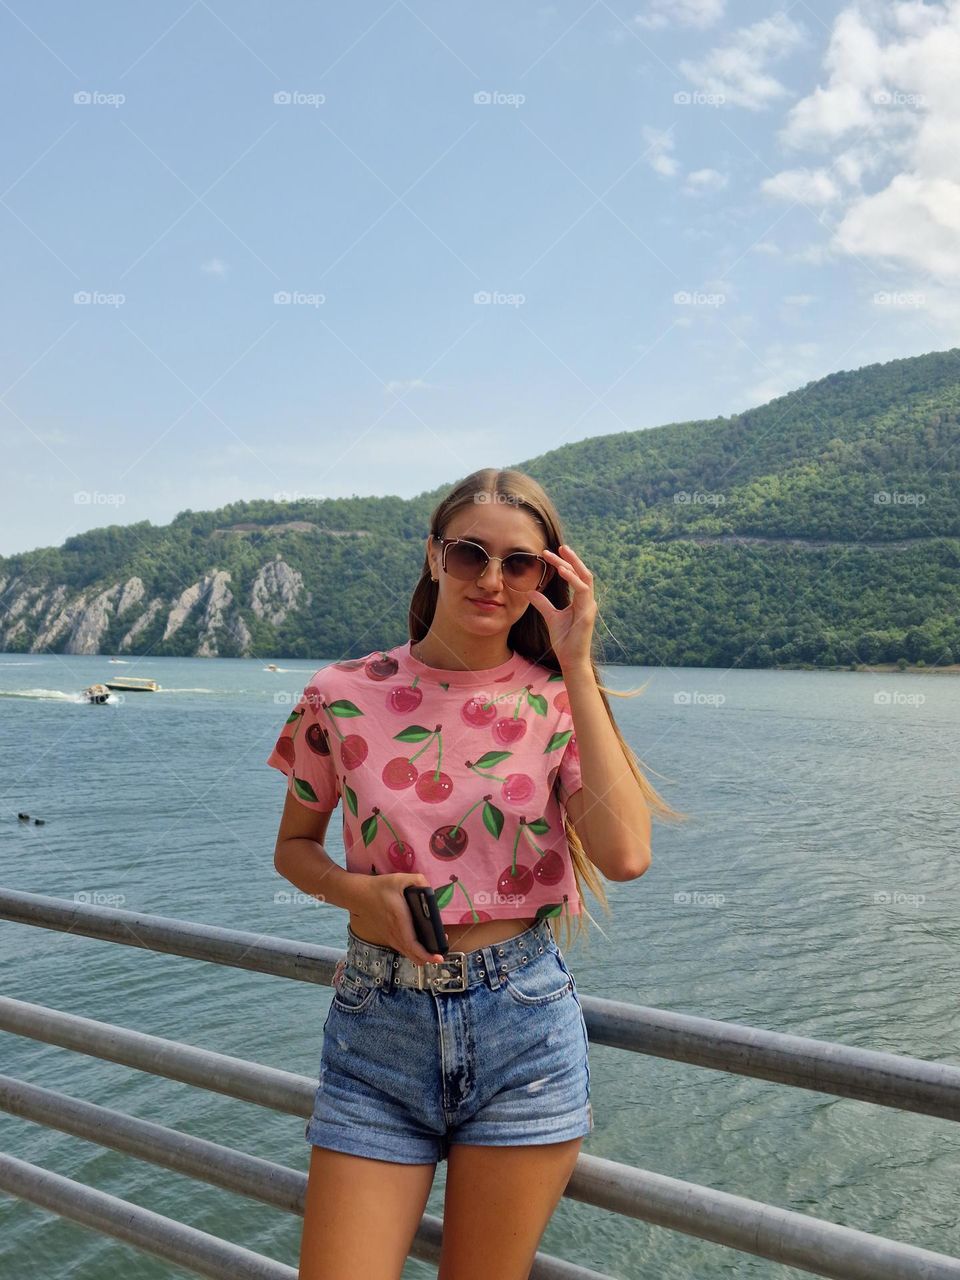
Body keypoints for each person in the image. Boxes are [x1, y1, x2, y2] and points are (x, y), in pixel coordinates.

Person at [267, 467, 681, 1280]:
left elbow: (627, 855)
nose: (492, 580)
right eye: (470, 555)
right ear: (433, 557)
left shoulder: (558, 700)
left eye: (519, 564)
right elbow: (295, 848)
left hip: (521, 1028)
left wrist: (578, 663)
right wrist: (358, 893)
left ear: (546, 578)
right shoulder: (340, 695)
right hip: (376, 1030)